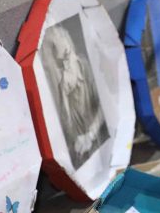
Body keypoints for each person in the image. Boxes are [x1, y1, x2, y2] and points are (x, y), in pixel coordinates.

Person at [41, 19, 109, 170]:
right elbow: (65, 130)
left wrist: (90, 134)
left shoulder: (84, 66)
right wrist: (64, 96)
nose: (66, 68)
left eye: (67, 59)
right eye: (60, 65)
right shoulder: (60, 86)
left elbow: (105, 106)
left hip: (101, 147)